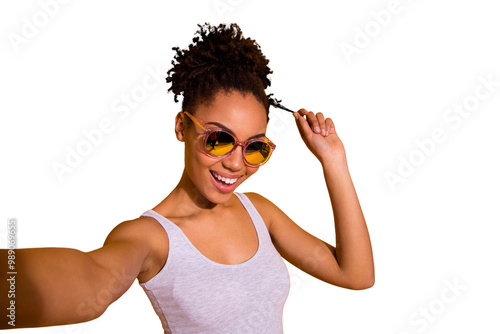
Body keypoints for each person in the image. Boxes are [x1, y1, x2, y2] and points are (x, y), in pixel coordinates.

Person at [0, 23, 374, 333]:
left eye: (255, 147)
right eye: (219, 139)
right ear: (182, 126)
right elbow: (93, 279)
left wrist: (333, 161)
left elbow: (355, 274)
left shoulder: (260, 212)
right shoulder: (151, 237)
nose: (235, 164)